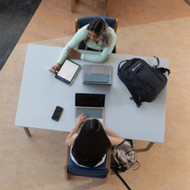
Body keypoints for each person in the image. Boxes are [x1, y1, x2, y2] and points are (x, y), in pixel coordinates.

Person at [50, 17, 117, 73]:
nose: (91, 38)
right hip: (86, 48)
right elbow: (69, 47)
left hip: (103, 49)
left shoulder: (111, 36)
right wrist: (58, 63)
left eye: (95, 36)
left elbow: (103, 58)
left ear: (103, 34)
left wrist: (80, 56)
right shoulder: (84, 31)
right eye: (89, 34)